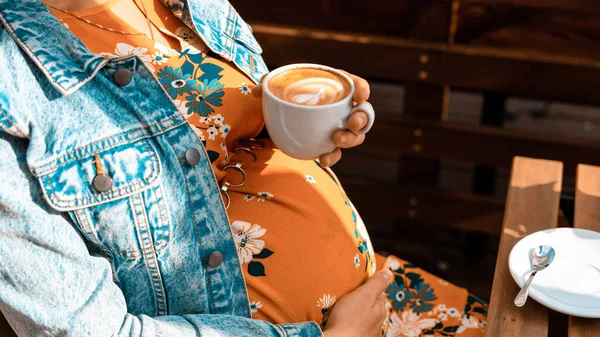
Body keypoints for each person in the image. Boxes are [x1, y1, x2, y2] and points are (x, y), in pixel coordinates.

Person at [0, 0, 488, 336]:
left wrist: (299, 131)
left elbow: (211, 140)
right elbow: (86, 330)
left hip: (380, 293)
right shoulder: (10, 79)